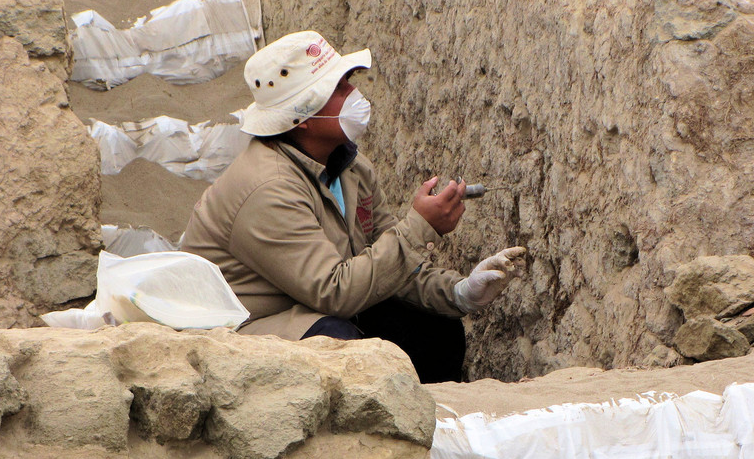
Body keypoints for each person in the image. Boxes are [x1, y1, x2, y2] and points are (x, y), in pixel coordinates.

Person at [181, 31, 526, 383]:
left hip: (308, 309)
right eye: (339, 89)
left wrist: (459, 292)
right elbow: (336, 293)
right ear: (304, 116)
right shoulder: (267, 189)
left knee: (434, 329)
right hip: (243, 333)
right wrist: (422, 225)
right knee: (342, 348)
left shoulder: (349, 167)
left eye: (348, 82)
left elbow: (387, 266)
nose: (354, 95)